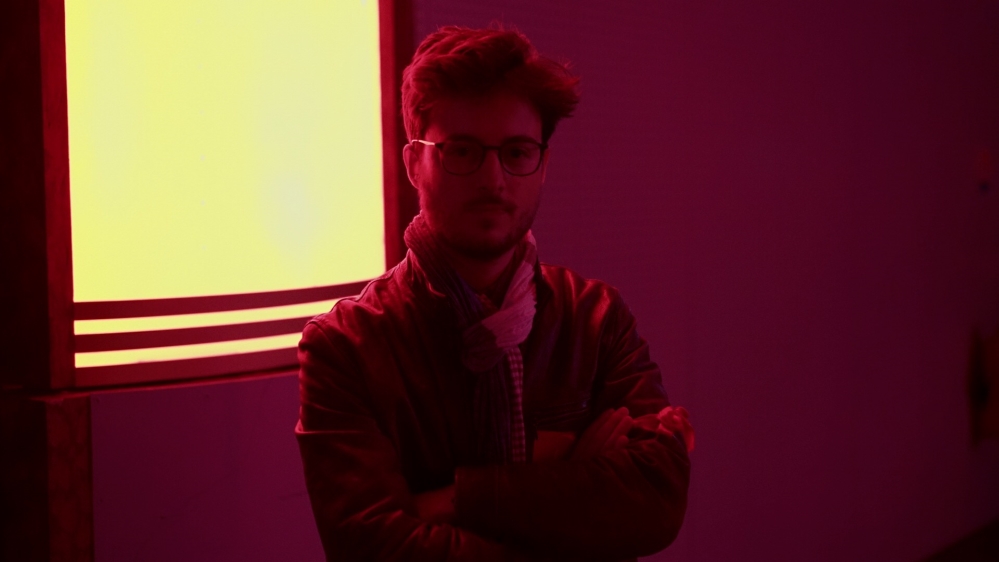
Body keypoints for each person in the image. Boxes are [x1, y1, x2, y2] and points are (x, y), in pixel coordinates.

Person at [296, 25, 693, 561]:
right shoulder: (346, 347)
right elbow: (371, 547)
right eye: (461, 151)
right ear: (415, 164)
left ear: (543, 164)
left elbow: (654, 502)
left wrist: (458, 497)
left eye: (516, 151)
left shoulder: (595, 319)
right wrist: (568, 485)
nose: (492, 178)